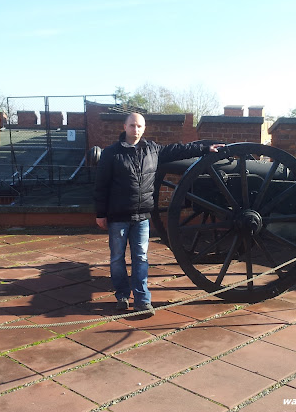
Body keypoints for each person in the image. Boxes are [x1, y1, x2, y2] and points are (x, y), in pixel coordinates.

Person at [94, 112, 223, 316]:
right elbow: (101, 186)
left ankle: (143, 300)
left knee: (141, 258)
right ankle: (121, 295)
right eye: (132, 125)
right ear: (124, 127)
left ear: (143, 129)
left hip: (142, 216)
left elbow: (179, 150)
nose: (135, 129)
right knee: (117, 258)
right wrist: (101, 213)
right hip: (118, 215)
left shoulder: (153, 149)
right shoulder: (111, 153)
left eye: (139, 126)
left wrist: (205, 148)